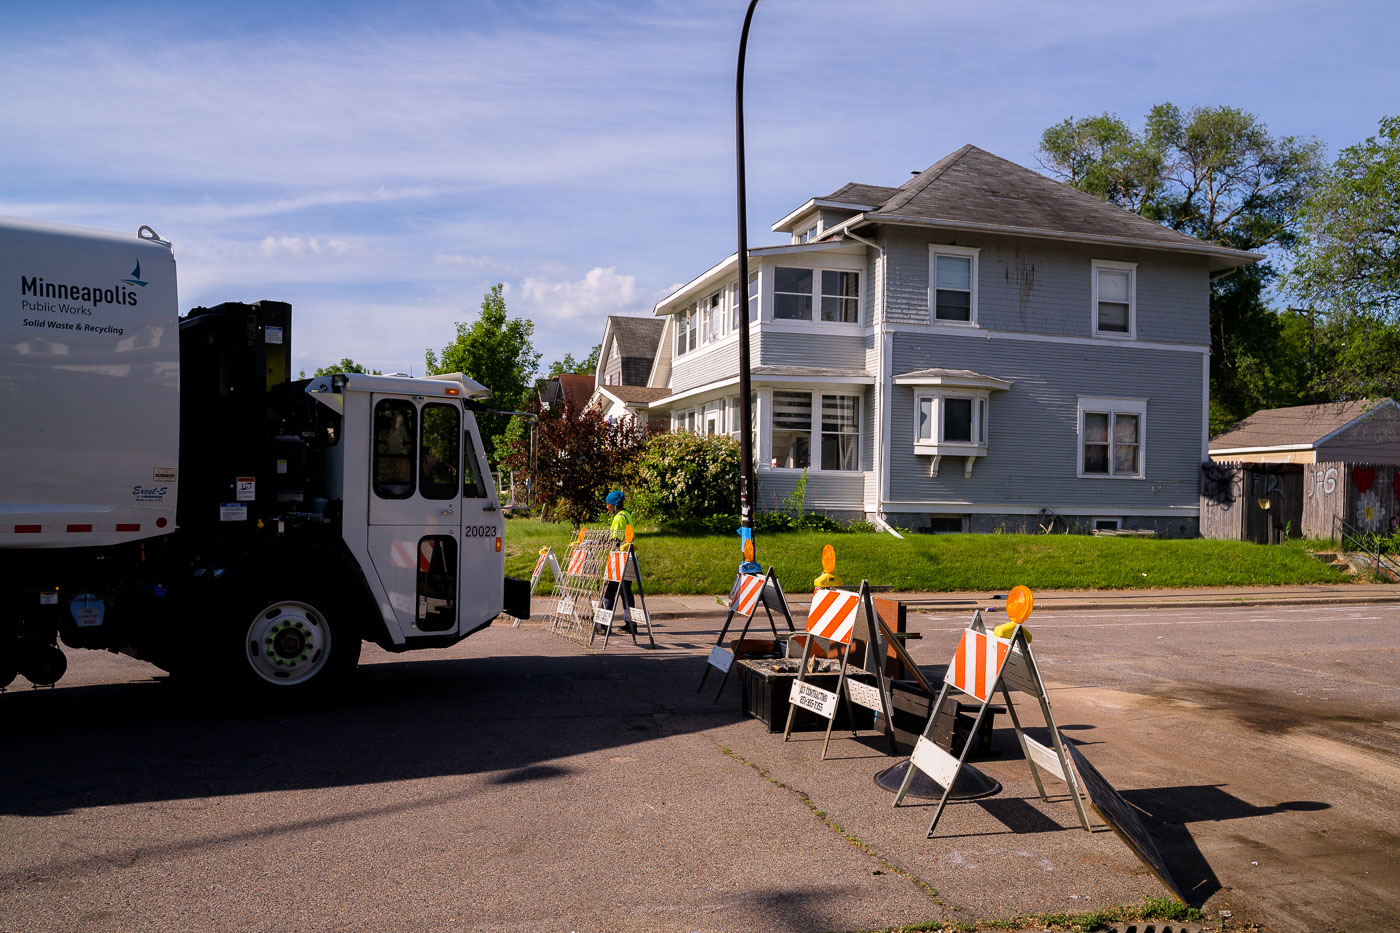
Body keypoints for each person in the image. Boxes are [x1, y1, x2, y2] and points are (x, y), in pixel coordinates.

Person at [600, 490, 633, 621]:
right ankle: (630, 623)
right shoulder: (626, 514)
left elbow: (616, 541)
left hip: (619, 559)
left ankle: (604, 622)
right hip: (628, 557)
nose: (607, 507)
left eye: (608, 504)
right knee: (626, 592)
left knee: (610, 591)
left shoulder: (619, 518)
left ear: (614, 504)